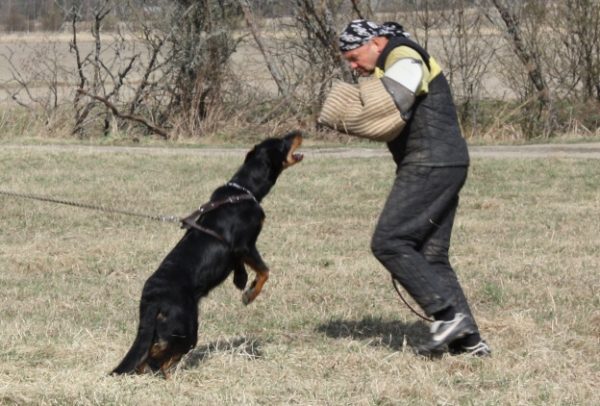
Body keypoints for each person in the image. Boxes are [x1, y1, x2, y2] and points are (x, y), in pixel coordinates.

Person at [318, 19, 490, 357]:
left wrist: (350, 109)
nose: (354, 67)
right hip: (446, 161)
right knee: (431, 255)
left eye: (355, 58)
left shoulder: (403, 56)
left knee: (389, 242)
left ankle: (446, 317)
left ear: (377, 43)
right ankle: (469, 343)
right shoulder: (393, 58)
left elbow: (390, 106)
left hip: (430, 163)